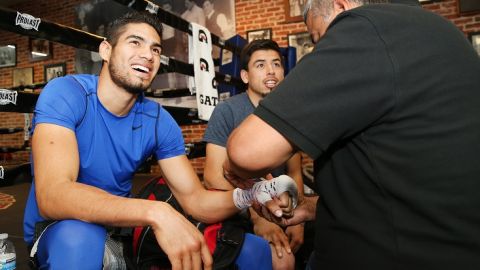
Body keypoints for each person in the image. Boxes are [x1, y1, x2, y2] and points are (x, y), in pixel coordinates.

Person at [23, 11, 293, 269]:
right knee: (78, 241)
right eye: (135, 42)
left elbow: (196, 201)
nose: (147, 55)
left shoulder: (158, 120)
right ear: (106, 51)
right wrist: (157, 213)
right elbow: (53, 194)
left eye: (155, 49)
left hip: (120, 229)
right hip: (58, 229)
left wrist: (251, 194)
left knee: (253, 250)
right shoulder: (67, 94)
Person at [224, 0, 480, 269]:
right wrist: (315, 207)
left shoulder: (364, 28)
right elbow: (411, 175)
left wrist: (231, 165)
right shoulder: (441, 31)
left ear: (341, 7)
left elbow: (247, 151)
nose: (320, 49)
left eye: (318, 38)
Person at [203, 39, 305, 270]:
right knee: (283, 260)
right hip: (238, 210)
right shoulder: (227, 111)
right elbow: (212, 177)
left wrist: (299, 217)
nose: (271, 71)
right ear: (246, 76)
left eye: (276, 64)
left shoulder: (289, 113)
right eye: (260, 65)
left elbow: (294, 171)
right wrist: (256, 215)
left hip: (279, 207)